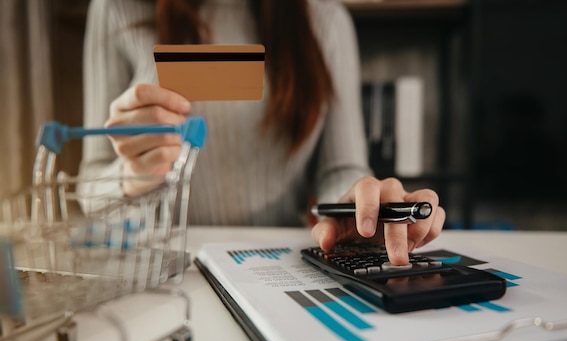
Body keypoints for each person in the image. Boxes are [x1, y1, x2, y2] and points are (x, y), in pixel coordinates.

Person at [79, 0, 445, 265]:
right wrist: (128, 176)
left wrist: (360, 206)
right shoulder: (116, 8)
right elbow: (90, 191)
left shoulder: (326, 20)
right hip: (160, 270)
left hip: (279, 264)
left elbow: (340, 169)